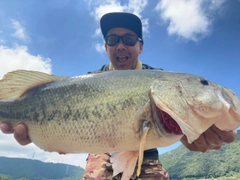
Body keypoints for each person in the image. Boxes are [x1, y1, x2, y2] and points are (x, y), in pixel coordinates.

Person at [0, 12, 237, 180]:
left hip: (147, 155)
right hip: (99, 151)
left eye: (129, 39)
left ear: (140, 46)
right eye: (113, 39)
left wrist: (193, 130)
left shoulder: (159, 78)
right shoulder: (91, 78)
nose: (121, 45)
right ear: (106, 47)